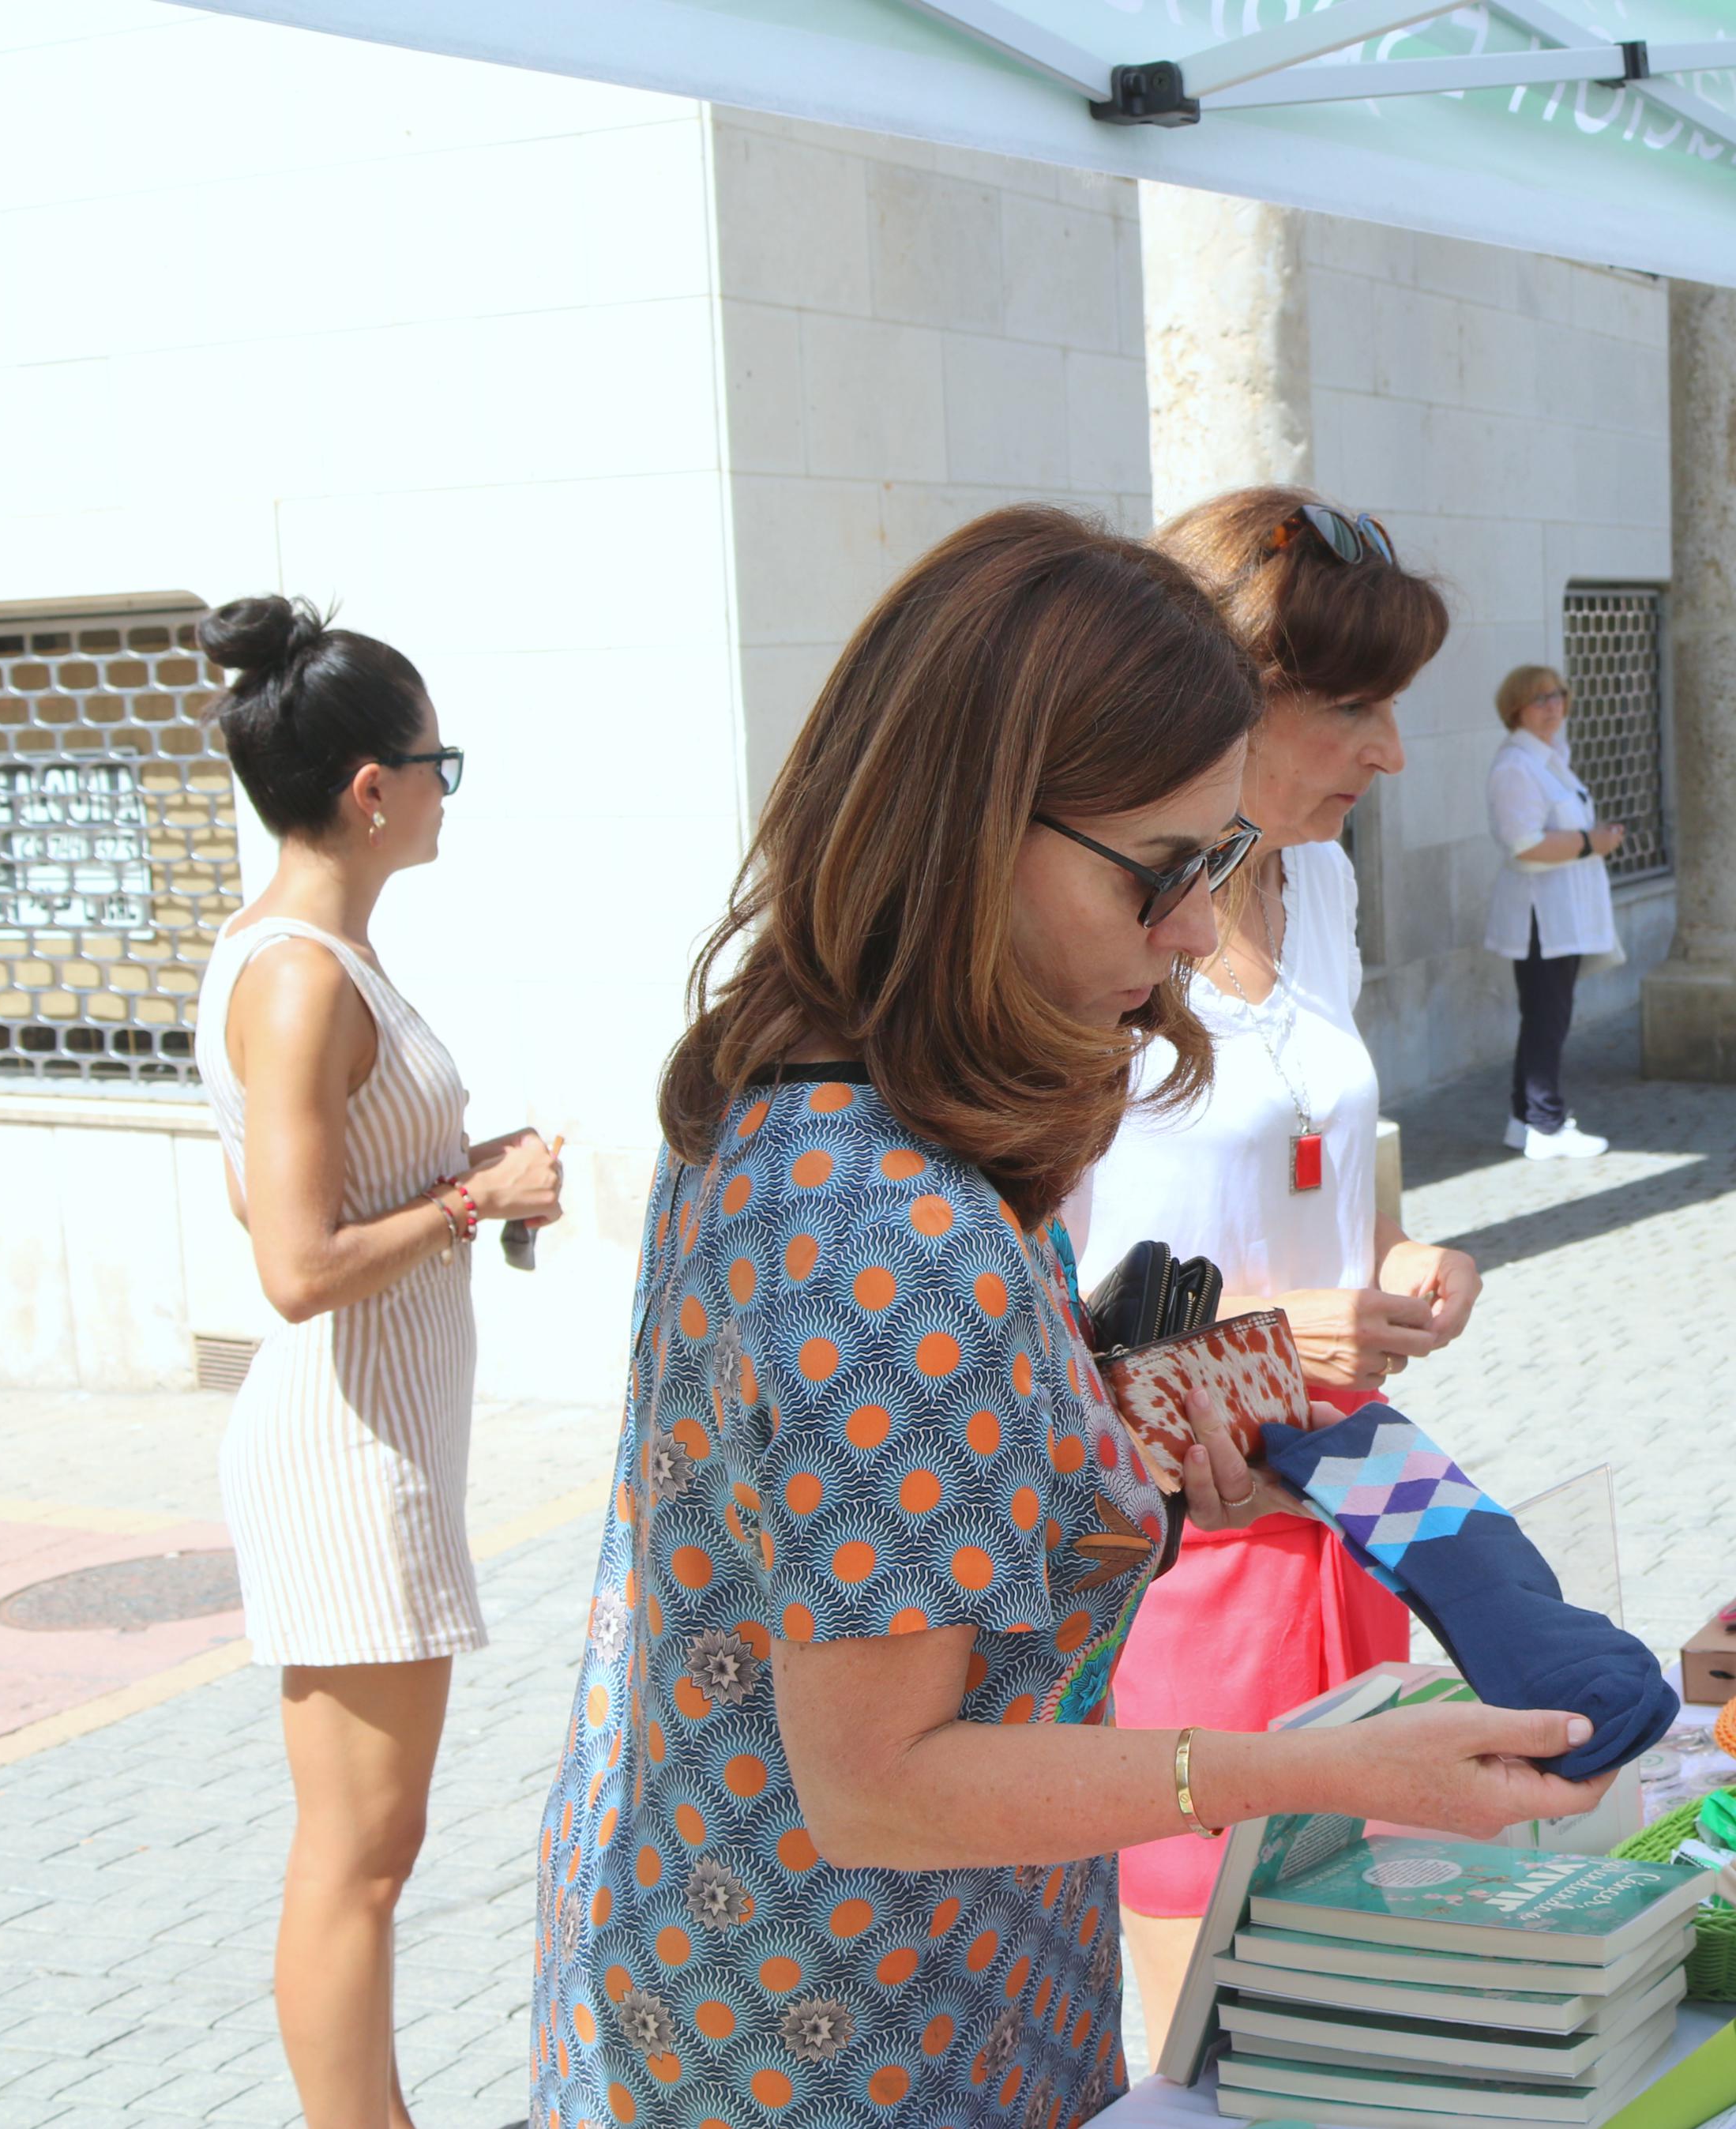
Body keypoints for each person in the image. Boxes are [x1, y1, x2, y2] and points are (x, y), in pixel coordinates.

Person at [530, 508, 1610, 2129]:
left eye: (1219, 867)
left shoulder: (838, 1096)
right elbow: (882, 1779)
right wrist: (1314, 1773)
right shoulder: (879, 1221)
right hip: (844, 2034)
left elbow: (891, 1494)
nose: (1190, 929)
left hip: (818, 1979)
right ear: (974, 826)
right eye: (1164, 875)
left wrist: (1140, 1427)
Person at [1071, 487, 1484, 2052]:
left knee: (1336, 1986)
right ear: (1230, 696)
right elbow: (1042, 1356)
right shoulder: (1096, 934)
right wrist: (1267, 1342)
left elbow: (1316, 1154)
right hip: (1178, 1545)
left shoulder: (1313, 880)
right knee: (1204, 2017)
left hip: (1337, 1507)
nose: (1389, 752)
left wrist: (1394, 1254)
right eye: (1359, 708)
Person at [192, 595, 563, 2129]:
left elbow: (299, 1193)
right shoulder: (297, 976)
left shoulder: (300, 954)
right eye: (437, 764)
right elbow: (288, 1266)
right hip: (346, 1444)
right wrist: (477, 1196)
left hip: (376, 1432)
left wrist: (461, 1168)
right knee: (357, 1856)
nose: (438, 789)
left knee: (369, 1847)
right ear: (370, 790)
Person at [1483, 660, 1624, 1157]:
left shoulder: (1550, 758)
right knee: (1547, 1017)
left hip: (1565, 912)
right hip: (1540, 916)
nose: (1551, 706)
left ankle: (1525, 1121)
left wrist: (1592, 841)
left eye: (1557, 695)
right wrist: (1592, 842)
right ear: (1515, 709)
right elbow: (1524, 844)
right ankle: (1546, 1124)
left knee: (1546, 1016)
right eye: (1538, 699)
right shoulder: (1515, 766)